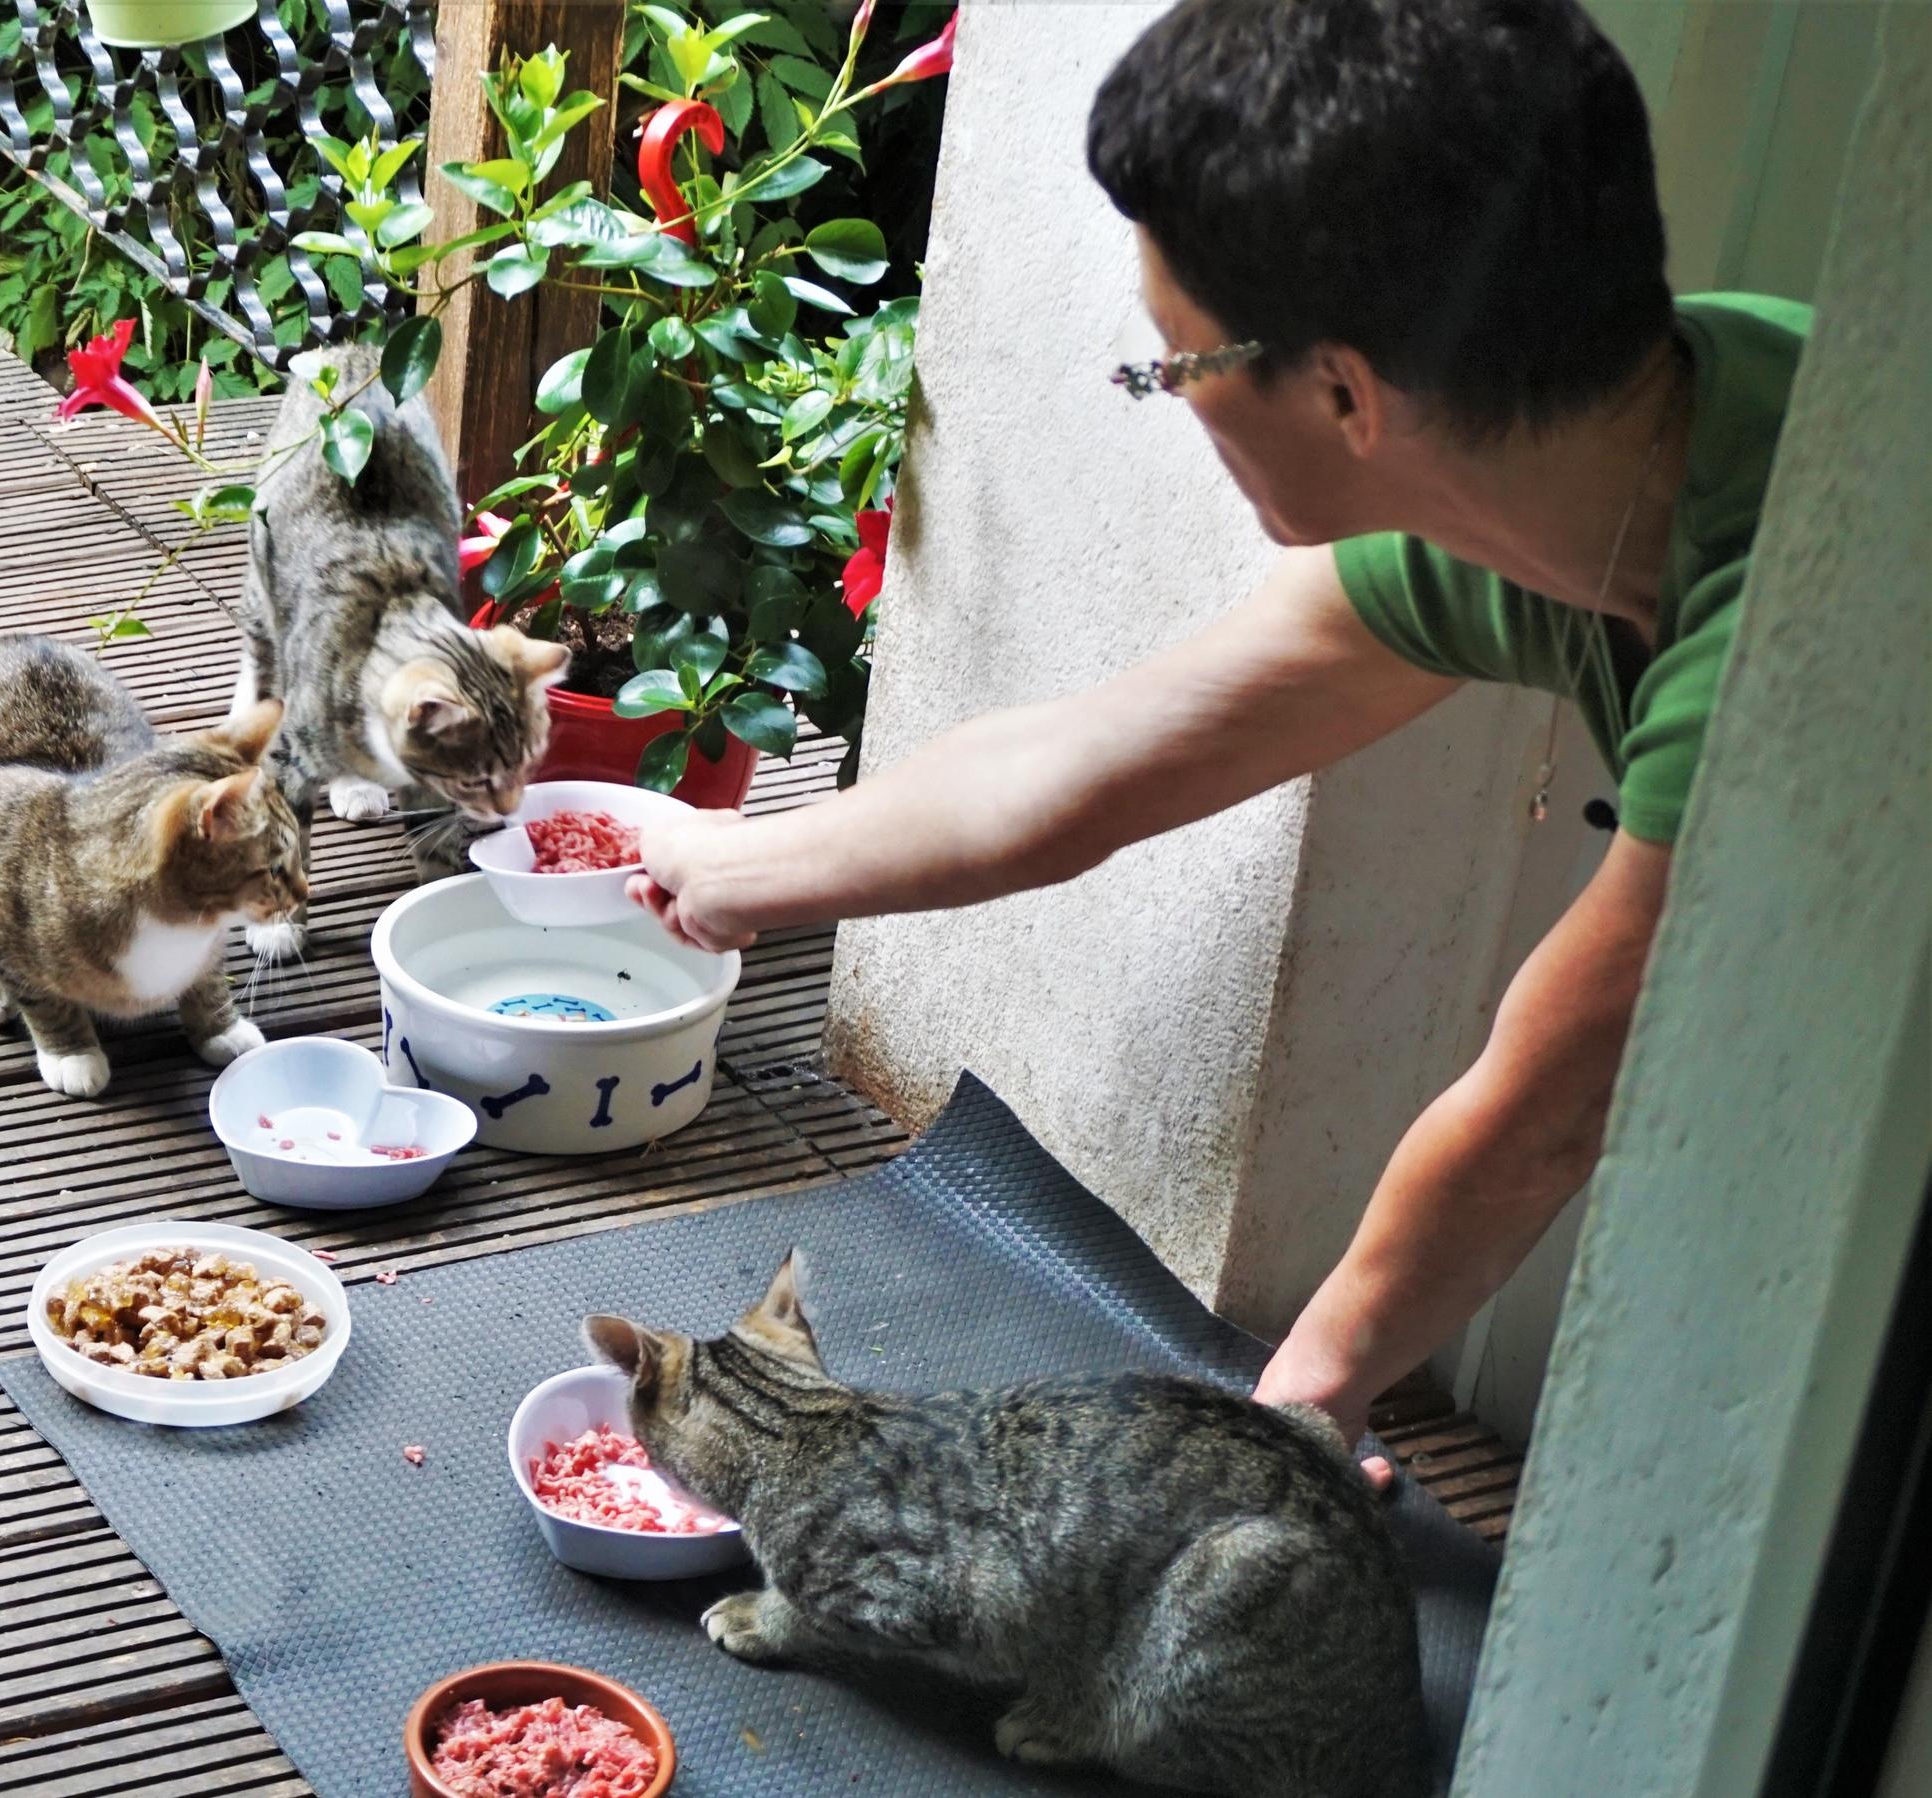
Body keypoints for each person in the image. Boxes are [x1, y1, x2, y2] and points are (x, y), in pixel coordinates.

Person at [626, 0, 1810, 1478]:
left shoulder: (1793, 614)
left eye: (1170, 365)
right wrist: (737, 863)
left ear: (1342, 391)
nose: (1166, 399)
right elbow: (1082, 769)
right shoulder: (1588, 465)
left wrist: (1296, 1407)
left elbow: (1545, 1101)